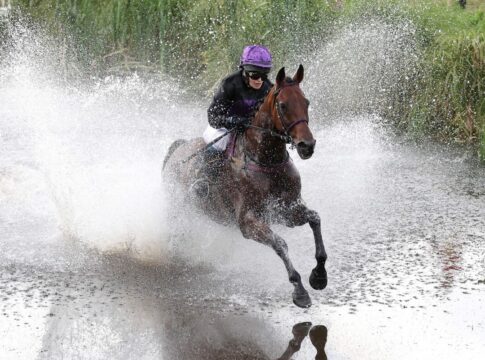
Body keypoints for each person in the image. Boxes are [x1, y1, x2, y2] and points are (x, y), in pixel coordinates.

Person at [192, 45, 273, 196]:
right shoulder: (230, 84)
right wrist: (231, 121)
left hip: (249, 129)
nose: (260, 80)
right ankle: (202, 178)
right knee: (219, 142)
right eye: (255, 75)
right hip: (223, 127)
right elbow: (212, 116)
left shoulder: (268, 88)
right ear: (244, 70)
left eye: (264, 74)